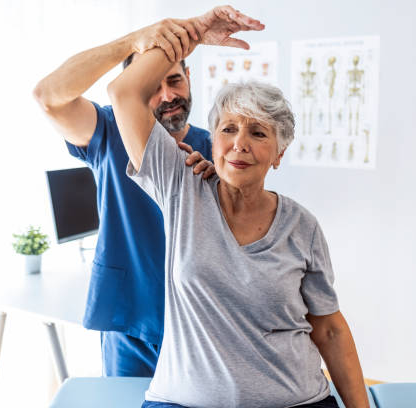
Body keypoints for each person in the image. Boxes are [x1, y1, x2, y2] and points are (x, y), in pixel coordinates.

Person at [108, 5, 370, 408]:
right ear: (211, 141)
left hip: (296, 401)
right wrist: (192, 34)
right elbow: (124, 93)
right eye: (228, 129)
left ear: (279, 153)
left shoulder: (303, 226)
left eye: (258, 132)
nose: (239, 143)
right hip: (183, 402)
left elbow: (330, 330)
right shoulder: (181, 187)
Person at [32, 12, 235, 376]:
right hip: (131, 324)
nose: (168, 95)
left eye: (175, 81)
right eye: (152, 87)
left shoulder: (215, 149)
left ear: (189, 78)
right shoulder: (108, 130)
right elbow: (48, 97)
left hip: (199, 325)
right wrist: (131, 42)